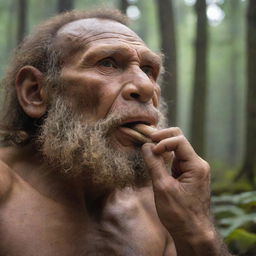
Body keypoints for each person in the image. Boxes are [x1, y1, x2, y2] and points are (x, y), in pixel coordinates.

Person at [0, 9, 233, 256]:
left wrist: (195, 229)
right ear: (35, 92)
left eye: (148, 69)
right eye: (107, 63)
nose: (144, 87)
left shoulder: (161, 204)